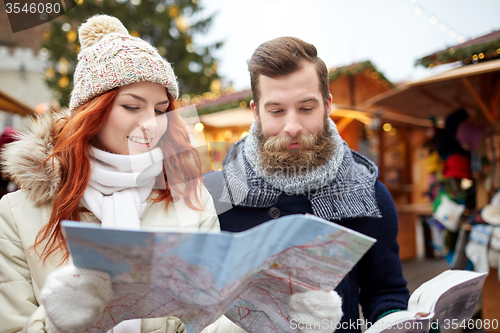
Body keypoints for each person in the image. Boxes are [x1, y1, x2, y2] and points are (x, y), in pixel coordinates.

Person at [0, 15, 245, 333]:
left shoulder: (191, 200)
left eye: (159, 110)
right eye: (132, 106)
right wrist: (61, 316)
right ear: (92, 112)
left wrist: (263, 317)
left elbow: (205, 320)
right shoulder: (16, 214)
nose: (151, 123)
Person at [204, 37, 410, 332]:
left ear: (327, 106)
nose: (292, 126)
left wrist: (398, 322)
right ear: (256, 112)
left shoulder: (367, 193)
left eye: (306, 108)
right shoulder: (213, 193)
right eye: (276, 111)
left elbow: (385, 293)